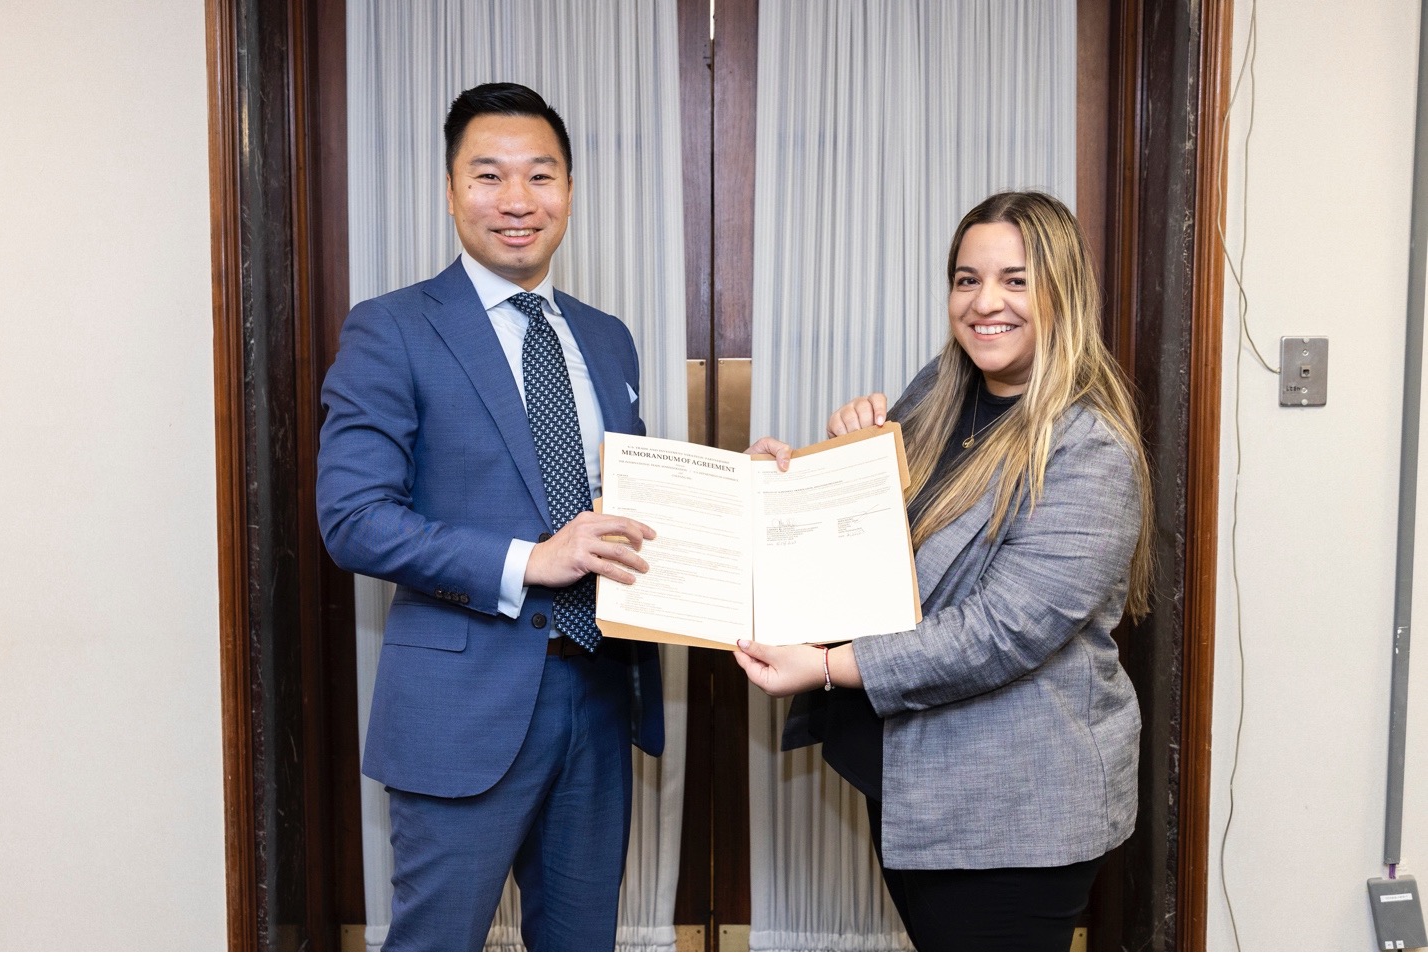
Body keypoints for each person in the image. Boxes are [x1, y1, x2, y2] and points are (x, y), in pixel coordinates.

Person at [735, 190, 1153, 951]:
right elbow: (878, 542)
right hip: (914, 780)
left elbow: (1003, 631)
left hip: (1013, 812)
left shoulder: (1090, 448)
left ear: (1064, 291)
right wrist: (802, 474)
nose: (985, 302)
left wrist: (828, 666)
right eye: (967, 279)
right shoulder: (941, 388)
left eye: (1016, 280)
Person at [317, 82, 665, 952]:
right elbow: (354, 517)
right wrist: (527, 561)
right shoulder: (391, 328)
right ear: (449, 190)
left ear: (571, 191)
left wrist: (756, 492)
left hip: (598, 689)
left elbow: (638, 500)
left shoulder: (607, 335)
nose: (517, 201)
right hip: (461, 707)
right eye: (489, 176)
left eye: (540, 176)